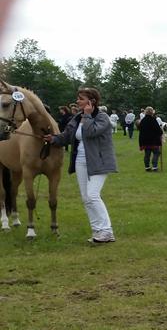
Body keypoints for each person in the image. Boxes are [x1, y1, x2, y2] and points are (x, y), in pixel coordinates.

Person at [43, 87, 117, 244]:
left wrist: (89, 116)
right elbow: (66, 136)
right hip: (80, 161)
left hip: (99, 161)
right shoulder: (77, 118)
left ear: (92, 102)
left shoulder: (102, 118)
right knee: (86, 198)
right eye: (78, 98)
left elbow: (90, 132)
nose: (77, 101)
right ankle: (98, 231)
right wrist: (53, 139)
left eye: (81, 98)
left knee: (93, 195)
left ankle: (107, 231)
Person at [138, 106, 163, 172]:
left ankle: (147, 167)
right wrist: (161, 133)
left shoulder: (143, 120)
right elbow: (158, 130)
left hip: (145, 141)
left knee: (147, 154)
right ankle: (154, 167)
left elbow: (140, 129)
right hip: (153, 140)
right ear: (152, 112)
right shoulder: (153, 119)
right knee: (156, 153)